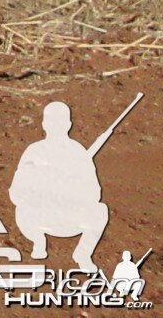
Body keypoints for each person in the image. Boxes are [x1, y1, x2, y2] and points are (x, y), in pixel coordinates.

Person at [10, 101, 112, 271]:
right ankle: (38, 241)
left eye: (59, 122)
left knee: (99, 211)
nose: (56, 126)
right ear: (44, 124)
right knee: (22, 209)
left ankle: (83, 254)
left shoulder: (78, 153)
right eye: (52, 122)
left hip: (69, 217)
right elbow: (16, 192)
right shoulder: (34, 151)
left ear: (68, 125)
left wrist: (71, 188)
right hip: (40, 216)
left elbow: (94, 194)